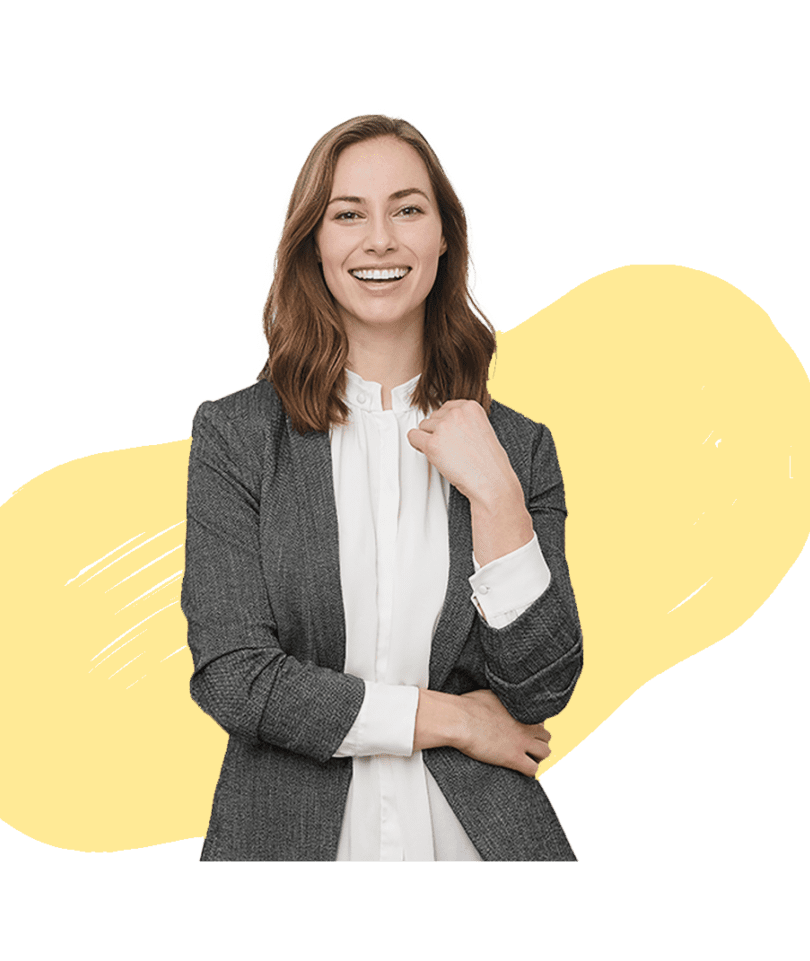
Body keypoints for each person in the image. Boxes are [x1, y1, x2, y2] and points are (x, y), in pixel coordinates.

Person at [181, 113, 583, 862]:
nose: (380, 239)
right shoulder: (235, 438)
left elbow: (541, 688)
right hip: (281, 840)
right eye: (347, 214)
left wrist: (497, 494)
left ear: (443, 239)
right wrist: (457, 720)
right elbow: (236, 675)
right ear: (315, 245)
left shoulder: (519, 448)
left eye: (407, 209)